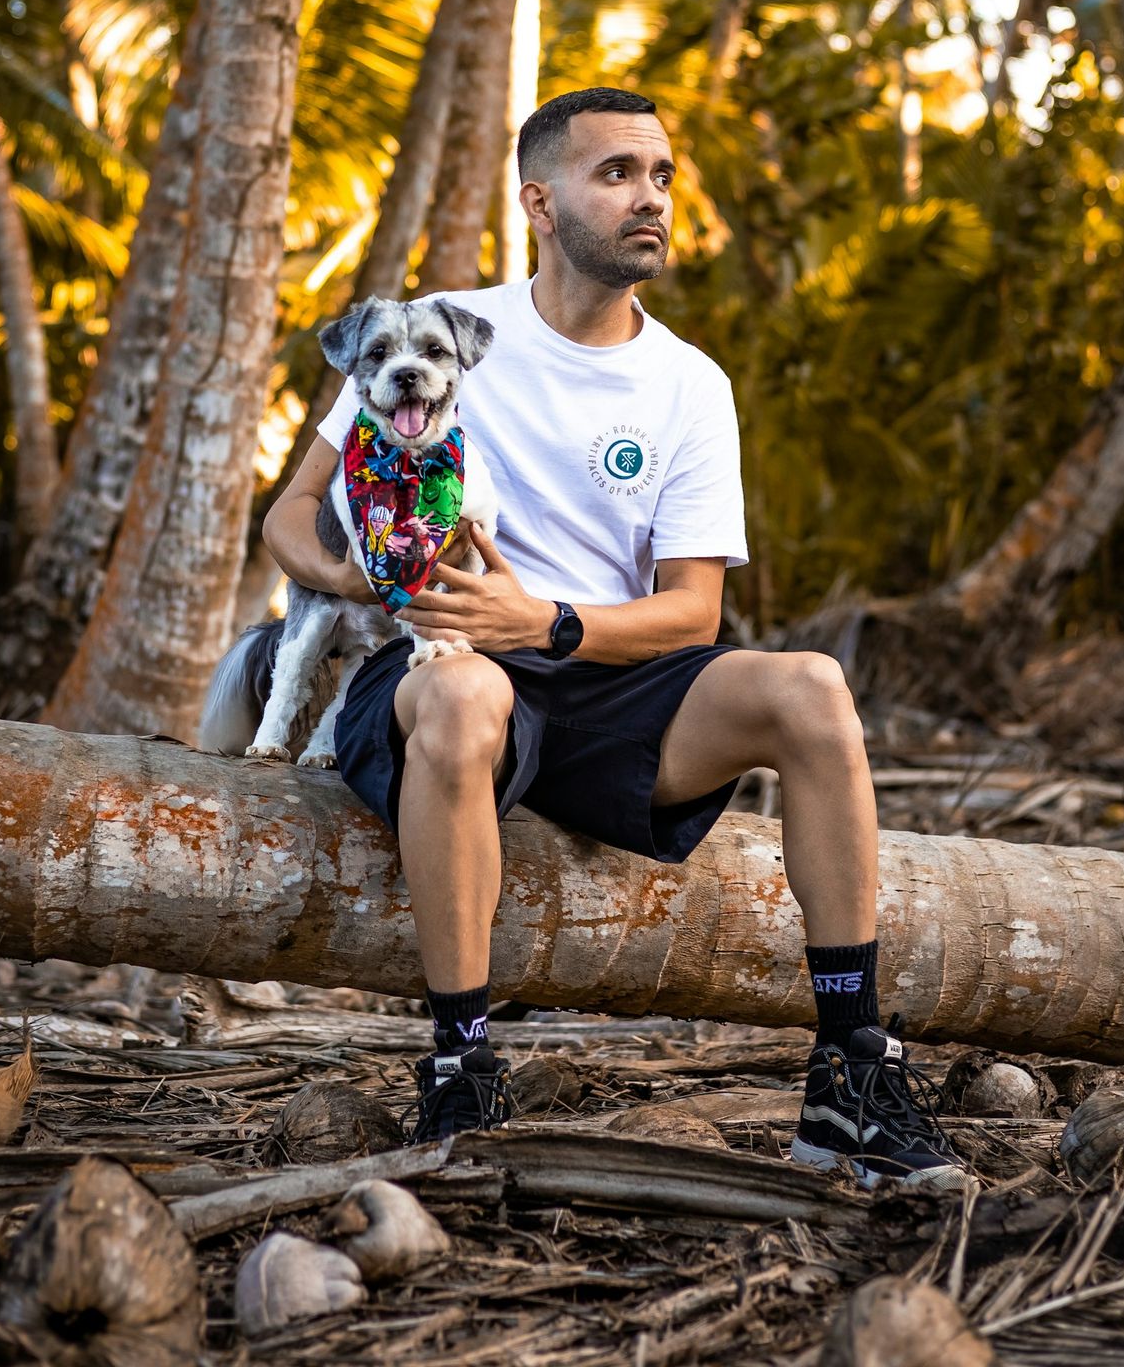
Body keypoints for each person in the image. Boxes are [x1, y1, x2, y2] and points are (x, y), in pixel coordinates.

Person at [264, 87, 963, 1188]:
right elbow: (288, 515)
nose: (650, 197)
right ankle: (461, 1071)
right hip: (443, 661)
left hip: (602, 671)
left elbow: (693, 613)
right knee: (461, 696)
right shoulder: (432, 331)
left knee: (813, 690)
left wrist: (545, 619)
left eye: (661, 174)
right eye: (617, 173)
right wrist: (365, 576)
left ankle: (851, 1077)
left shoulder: (688, 385)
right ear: (540, 201)